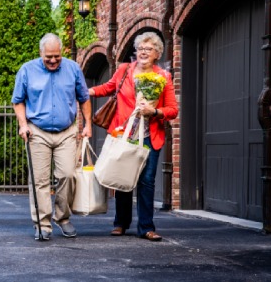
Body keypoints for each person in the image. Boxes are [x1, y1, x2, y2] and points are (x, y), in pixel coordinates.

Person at [89, 32, 178, 241]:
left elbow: (173, 109)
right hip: (124, 132)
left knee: (146, 181)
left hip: (149, 135)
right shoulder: (124, 70)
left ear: (157, 53)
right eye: (140, 49)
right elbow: (108, 88)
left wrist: (154, 112)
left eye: (149, 49)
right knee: (123, 177)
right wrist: (87, 91)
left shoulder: (163, 77)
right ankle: (121, 223)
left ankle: (146, 227)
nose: (143, 52)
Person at [12, 33, 92, 240]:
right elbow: (18, 100)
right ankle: (42, 224)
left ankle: (63, 218)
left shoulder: (73, 68)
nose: (53, 60)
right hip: (37, 131)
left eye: (57, 56)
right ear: (41, 54)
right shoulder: (27, 70)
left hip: (66, 132)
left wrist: (88, 124)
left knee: (67, 175)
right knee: (39, 180)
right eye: (49, 57)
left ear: (62, 52)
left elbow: (84, 98)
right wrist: (23, 125)